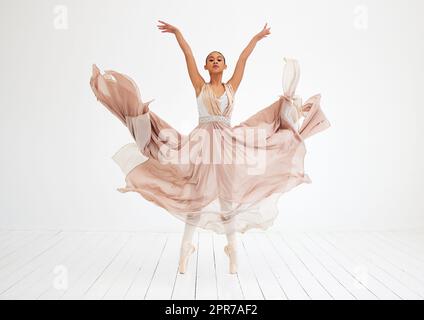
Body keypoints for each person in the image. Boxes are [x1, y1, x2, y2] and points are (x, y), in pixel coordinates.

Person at [89, 20, 330, 275]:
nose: (215, 61)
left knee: (226, 200)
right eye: (211, 59)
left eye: (219, 59)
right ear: (206, 66)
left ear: (224, 66)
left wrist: (256, 39)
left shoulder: (231, 87)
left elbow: (243, 59)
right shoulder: (200, 86)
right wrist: (179, 34)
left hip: (226, 143)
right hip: (202, 144)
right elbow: (188, 54)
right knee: (196, 197)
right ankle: (185, 254)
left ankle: (233, 256)